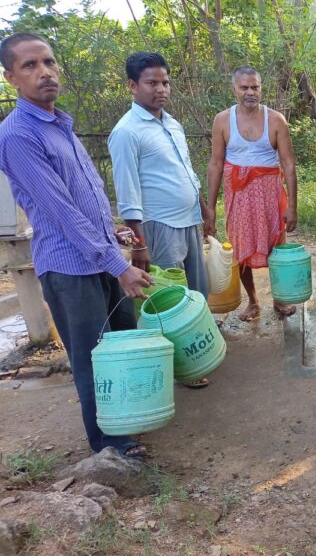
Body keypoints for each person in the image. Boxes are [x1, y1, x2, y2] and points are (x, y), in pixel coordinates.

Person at [0, 33, 152, 457]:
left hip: (100, 256)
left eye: (48, 62)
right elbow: (61, 211)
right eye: (29, 66)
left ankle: (130, 422)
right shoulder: (17, 135)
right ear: (10, 78)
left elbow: (83, 194)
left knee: (123, 343)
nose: (44, 72)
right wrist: (119, 265)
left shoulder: (60, 124)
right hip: (70, 267)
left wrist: (113, 233)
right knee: (93, 359)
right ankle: (109, 444)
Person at [109, 52, 211, 388]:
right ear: (132, 86)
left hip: (188, 219)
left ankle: (198, 343)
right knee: (170, 298)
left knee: (196, 289)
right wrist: (140, 244)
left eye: (165, 82)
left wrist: (204, 207)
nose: (161, 89)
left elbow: (186, 170)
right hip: (159, 225)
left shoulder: (172, 123)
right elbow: (128, 189)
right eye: (152, 83)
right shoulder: (127, 132)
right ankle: (182, 366)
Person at [205, 66, 298, 321]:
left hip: (269, 195)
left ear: (261, 88)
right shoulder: (222, 120)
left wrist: (293, 206)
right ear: (234, 89)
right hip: (239, 197)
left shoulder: (276, 120)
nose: (250, 92)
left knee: (277, 247)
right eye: (244, 87)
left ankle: (280, 299)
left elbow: (288, 164)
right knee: (239, 248)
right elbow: (215, 164)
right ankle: (254, 301)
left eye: (254, 87)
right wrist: (210, 210)